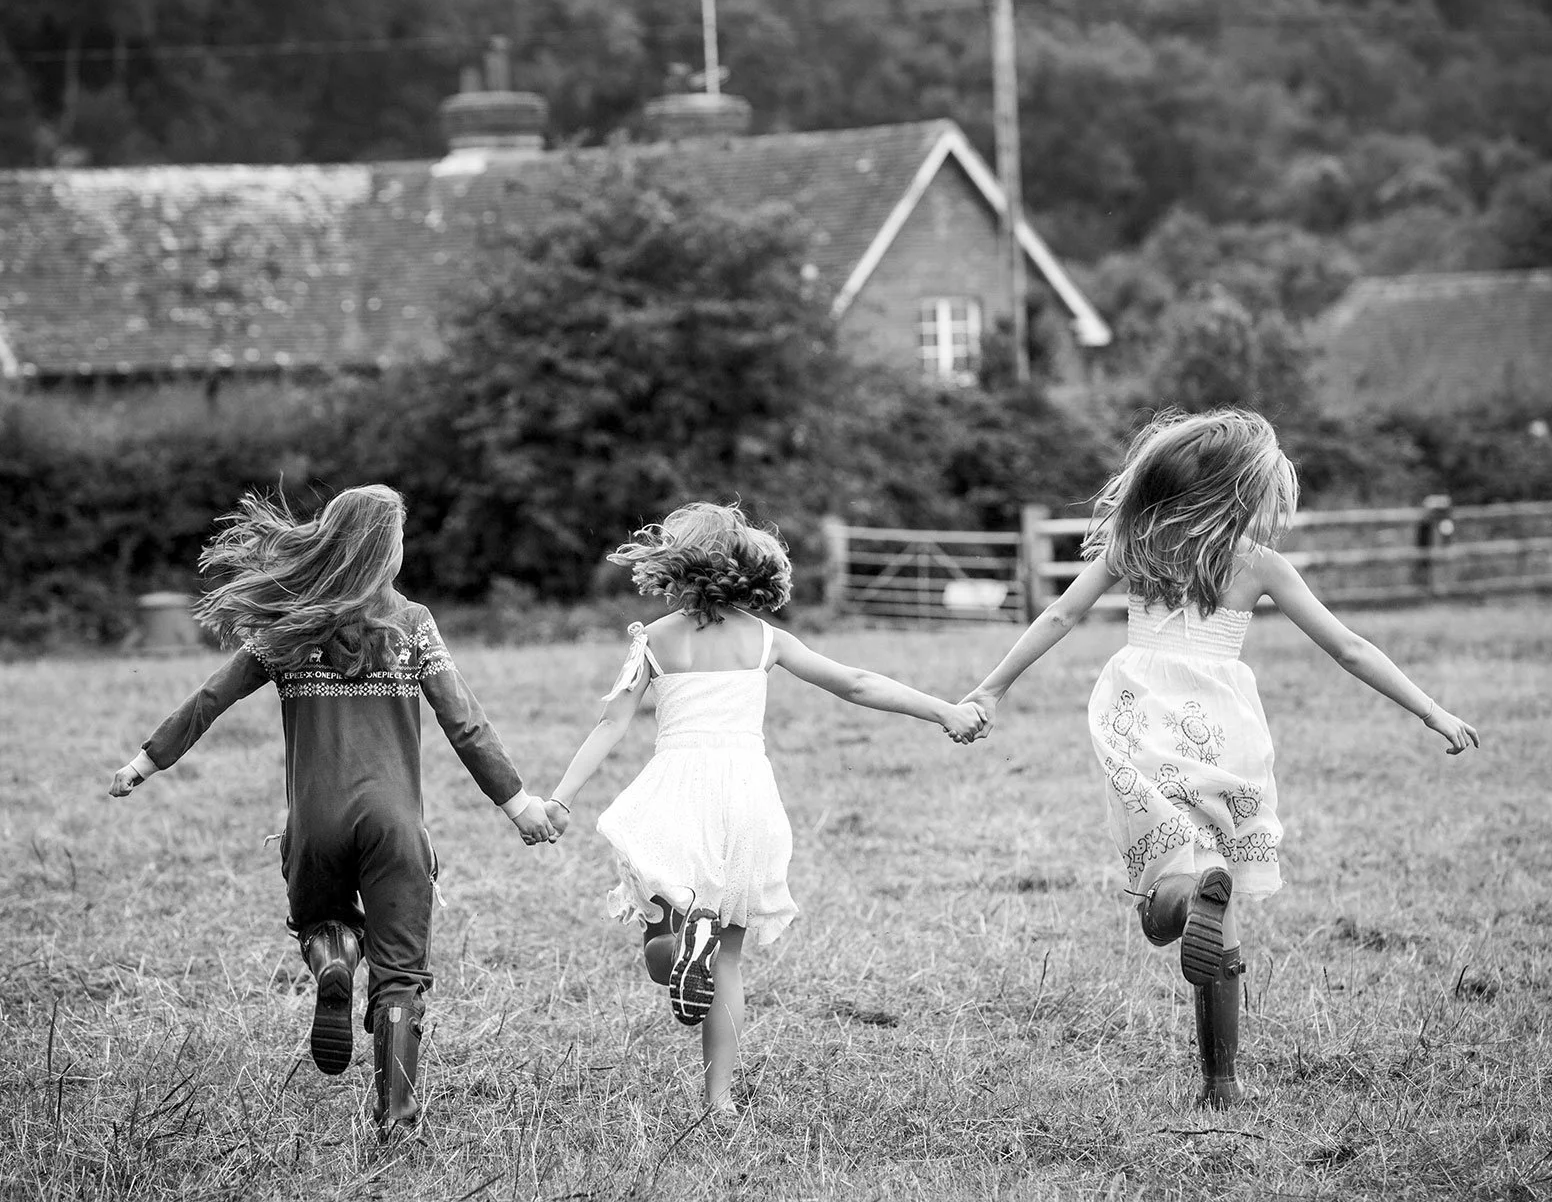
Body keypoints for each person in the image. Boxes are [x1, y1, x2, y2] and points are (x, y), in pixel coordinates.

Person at [959, 408, 1479, 1108]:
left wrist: (993, 688)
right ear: (1242, 492)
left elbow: (1059, 616)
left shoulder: (1135, 544)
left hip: (1137, 713)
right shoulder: (1257, 563)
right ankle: (1220, 1082)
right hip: (1223, 727)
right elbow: (1349, 647)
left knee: (1174, 869)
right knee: (1220, 886)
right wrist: (1431, 710)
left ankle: (1172, 900)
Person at [109, 485, 553, 1131]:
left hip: (314, 825)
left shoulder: (290, 628)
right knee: (402, 975)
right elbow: (466, 726)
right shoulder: (413, 625)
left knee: (320, 923)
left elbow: (211, 697)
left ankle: (334, 958)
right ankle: (396, 1118)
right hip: (396, 826)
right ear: (385, 550)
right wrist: (519, 806)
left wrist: (145, 762)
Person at [543, 502, 987, 1117]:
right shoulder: (766, 640)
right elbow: (856, 683)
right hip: (747, 795)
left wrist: (561, 797)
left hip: (678, 790)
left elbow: (610, 722)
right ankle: (719, 1101)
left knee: (659, 933)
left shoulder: (655, 640)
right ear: (744, 564)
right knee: (728, 957)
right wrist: (943, 709)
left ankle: (679, 939)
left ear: (676, 566)